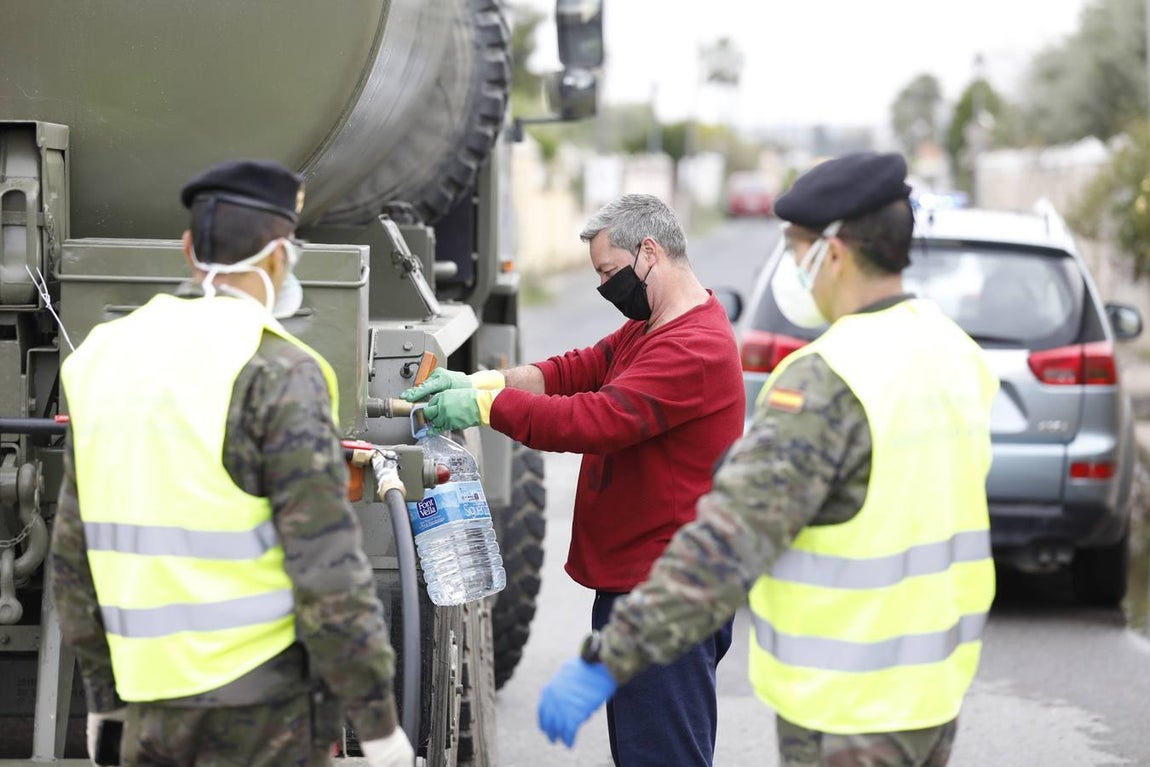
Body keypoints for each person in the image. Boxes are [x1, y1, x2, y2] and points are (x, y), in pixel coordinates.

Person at [535, 153, 1000, 767]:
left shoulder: (829, 380)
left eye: (795, 247)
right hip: (933, 693)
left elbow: (725, 543)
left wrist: (612, 656)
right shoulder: (954, 352)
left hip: (846, 708)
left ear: (832, 253)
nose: (791, 267)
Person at [50, 159, 414, 767]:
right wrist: (377, 723)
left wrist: (106, 704)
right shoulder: (278, 373)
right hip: (262, 717)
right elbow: (327, 569)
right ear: (280, 257)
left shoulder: (101, 358)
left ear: (190, 250)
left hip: (150, 710)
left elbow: (72, 559)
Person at [400, 193, 745, 767]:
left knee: (661, 756)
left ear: (650, 253)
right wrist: (485, 382)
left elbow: (597, 419)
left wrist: (485, 410)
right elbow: (576, 370)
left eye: (609, 272)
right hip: (642, 583)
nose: (605, 288)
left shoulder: (695, 347)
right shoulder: (651, 325)